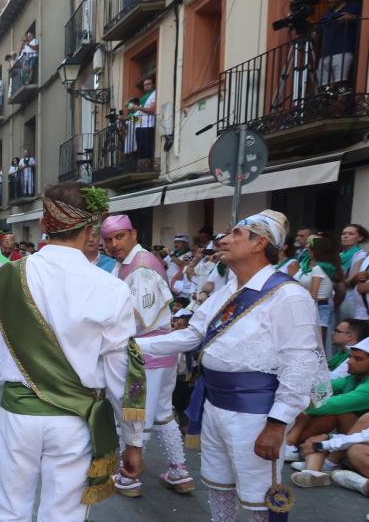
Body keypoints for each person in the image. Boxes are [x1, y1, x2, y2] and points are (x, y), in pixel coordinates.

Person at [0, 182, 145, 520]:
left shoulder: (4, 278)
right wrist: (133, 440)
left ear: (44, 224)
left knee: (10, 510)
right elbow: (123, 375)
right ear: (90, 230)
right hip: (75, 421)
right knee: (64, 514)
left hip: (18, 417)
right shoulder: (112, 289)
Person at [137, 210, 329, 522]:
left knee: (259, 498)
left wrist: (277, 425)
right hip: (215, 405)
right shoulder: (228, 292)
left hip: (257, 414)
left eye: (235, 234)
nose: (223, 240)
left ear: (259, 243)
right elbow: (191, 335)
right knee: (220, 488)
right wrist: (129, 346)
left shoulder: (289, 296)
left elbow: (300, 365)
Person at [100, 215, 192, 496]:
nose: (114, 244)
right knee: (162, 413)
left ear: (133, 234)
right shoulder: (130, 263)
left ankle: (130, 476)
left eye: (119, 237)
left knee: (137, 415)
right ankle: (179, 471)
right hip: (158, 353)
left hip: (145, 354)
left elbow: (141, 319)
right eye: (108, 239)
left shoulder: (140, 267)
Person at [284, 336, 369, 480]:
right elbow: (320, 389)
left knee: (333, 412)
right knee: (317, 405)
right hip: (351, 437)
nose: (349, 362)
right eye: (351, 357)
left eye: (358, 359)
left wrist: (300, 402)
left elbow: (337, 404)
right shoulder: (353, 378)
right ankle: (312, 467)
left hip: (366, 440)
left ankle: (294, 444)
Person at [296, 235, 344, 344]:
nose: (308, 251)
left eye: (310, 249)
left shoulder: (318, 268)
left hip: (318, 306)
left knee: (317, 341)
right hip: (319, 306)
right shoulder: (325, 266)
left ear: (316, 251)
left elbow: (313, 296)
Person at [317, 0, 362, 88]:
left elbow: (364, 18)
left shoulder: (353, 7)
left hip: (343, 52)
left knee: (340, 87)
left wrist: (353, 17)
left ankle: (341, 104)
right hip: (325, 55)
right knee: (324, 89)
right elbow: (318, 31)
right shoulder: (326, 15)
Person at [341, 224, 369, 318]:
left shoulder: (361, 255)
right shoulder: (339, 255)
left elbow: (352, 278)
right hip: (337, 297)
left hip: (350, 299)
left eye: (350, 234)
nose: (345, 236)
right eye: (344, 233)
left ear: (360, 238)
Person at [133, 77, 158, 162]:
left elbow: (152, 110)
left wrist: (138, 108)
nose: (146, 86)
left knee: (147, 148)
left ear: (153, 85)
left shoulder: (155, 94)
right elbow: (138, 113)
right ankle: (141, 165)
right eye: (145, 85)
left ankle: (146, 165)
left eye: (148, 84)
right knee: (140, 148)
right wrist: (127, 119)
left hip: (148, 125)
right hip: (139, 126)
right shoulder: (142, 98)